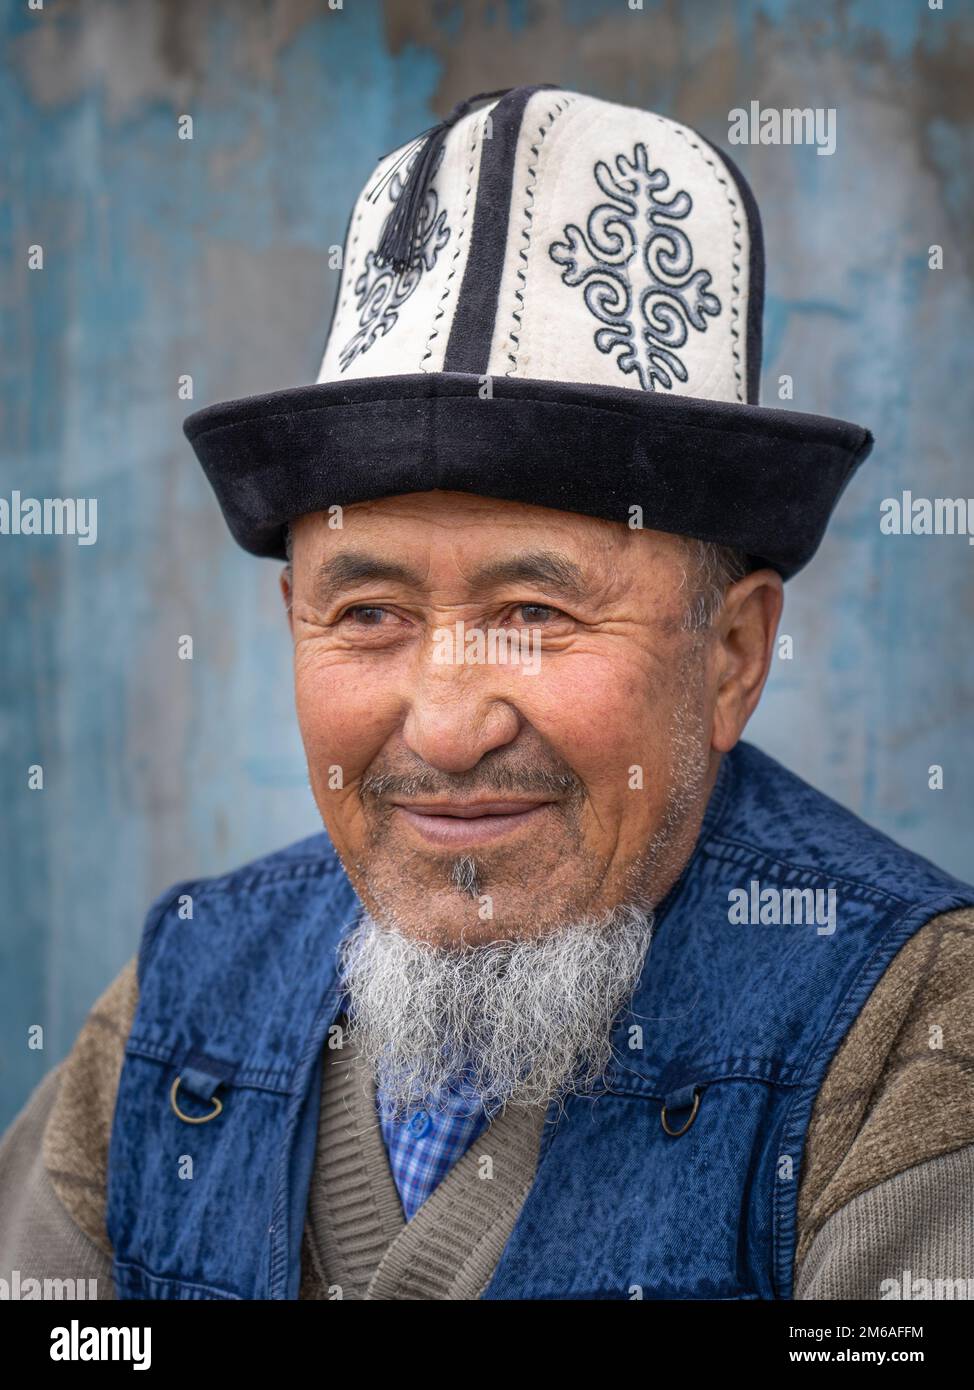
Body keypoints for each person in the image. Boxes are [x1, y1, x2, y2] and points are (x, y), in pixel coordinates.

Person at [3, 85, 972, 1302]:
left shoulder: (909, 1032)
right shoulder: (181, 1001)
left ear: (729, 655)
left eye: (534, 613)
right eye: (367, 616)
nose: (449, 726)